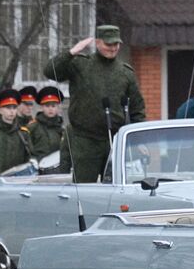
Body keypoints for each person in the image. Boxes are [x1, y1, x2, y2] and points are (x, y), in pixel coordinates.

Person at [43, 24, 146, 183]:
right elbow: (50, 71)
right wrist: (71, 53)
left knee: (115, 188)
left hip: (114, 140)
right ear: (98, 43)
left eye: (116, 44)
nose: (113, 48)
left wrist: (138, 139)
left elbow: (137, 109)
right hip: (85, 141)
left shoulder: (125, 72)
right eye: (108, 44)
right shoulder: (81, 64)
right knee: (84, 190)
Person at [25, 86, 67, 163]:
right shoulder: (33, 127)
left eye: (53, 106)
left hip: (58, 166)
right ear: (42, 107)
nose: (50, 109)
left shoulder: (62, 128)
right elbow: (27, 149)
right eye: (47, 106)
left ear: (58, 108)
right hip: (39, 166)